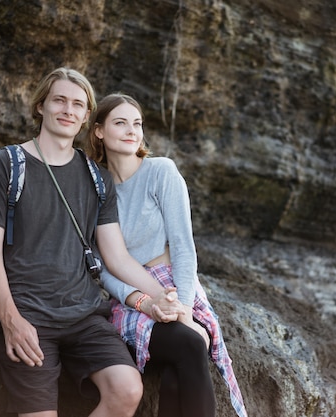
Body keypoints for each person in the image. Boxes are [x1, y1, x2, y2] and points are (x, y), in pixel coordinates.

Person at [0, 68, 184, 417]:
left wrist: (159, 298)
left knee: (127, 390)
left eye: (78, 104)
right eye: (60, 100)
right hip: (30, 315)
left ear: (85, 117)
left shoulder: (96, 178)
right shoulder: (5, 165)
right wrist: (10, 320)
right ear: (41, 106)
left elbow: (116, 257)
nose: (68, 109)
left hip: (84, 316)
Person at [86, 93, 248, 417]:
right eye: (121, 123)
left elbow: (184, 248)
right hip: (130, 298)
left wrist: (184, 310)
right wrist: (139, 300)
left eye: (137, 123)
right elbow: (103, 267)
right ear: (99, 131)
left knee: (184, 351)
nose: (132, 131)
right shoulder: (95, 187)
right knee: (190, 345)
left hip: (176, 287)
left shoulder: (161, 172)